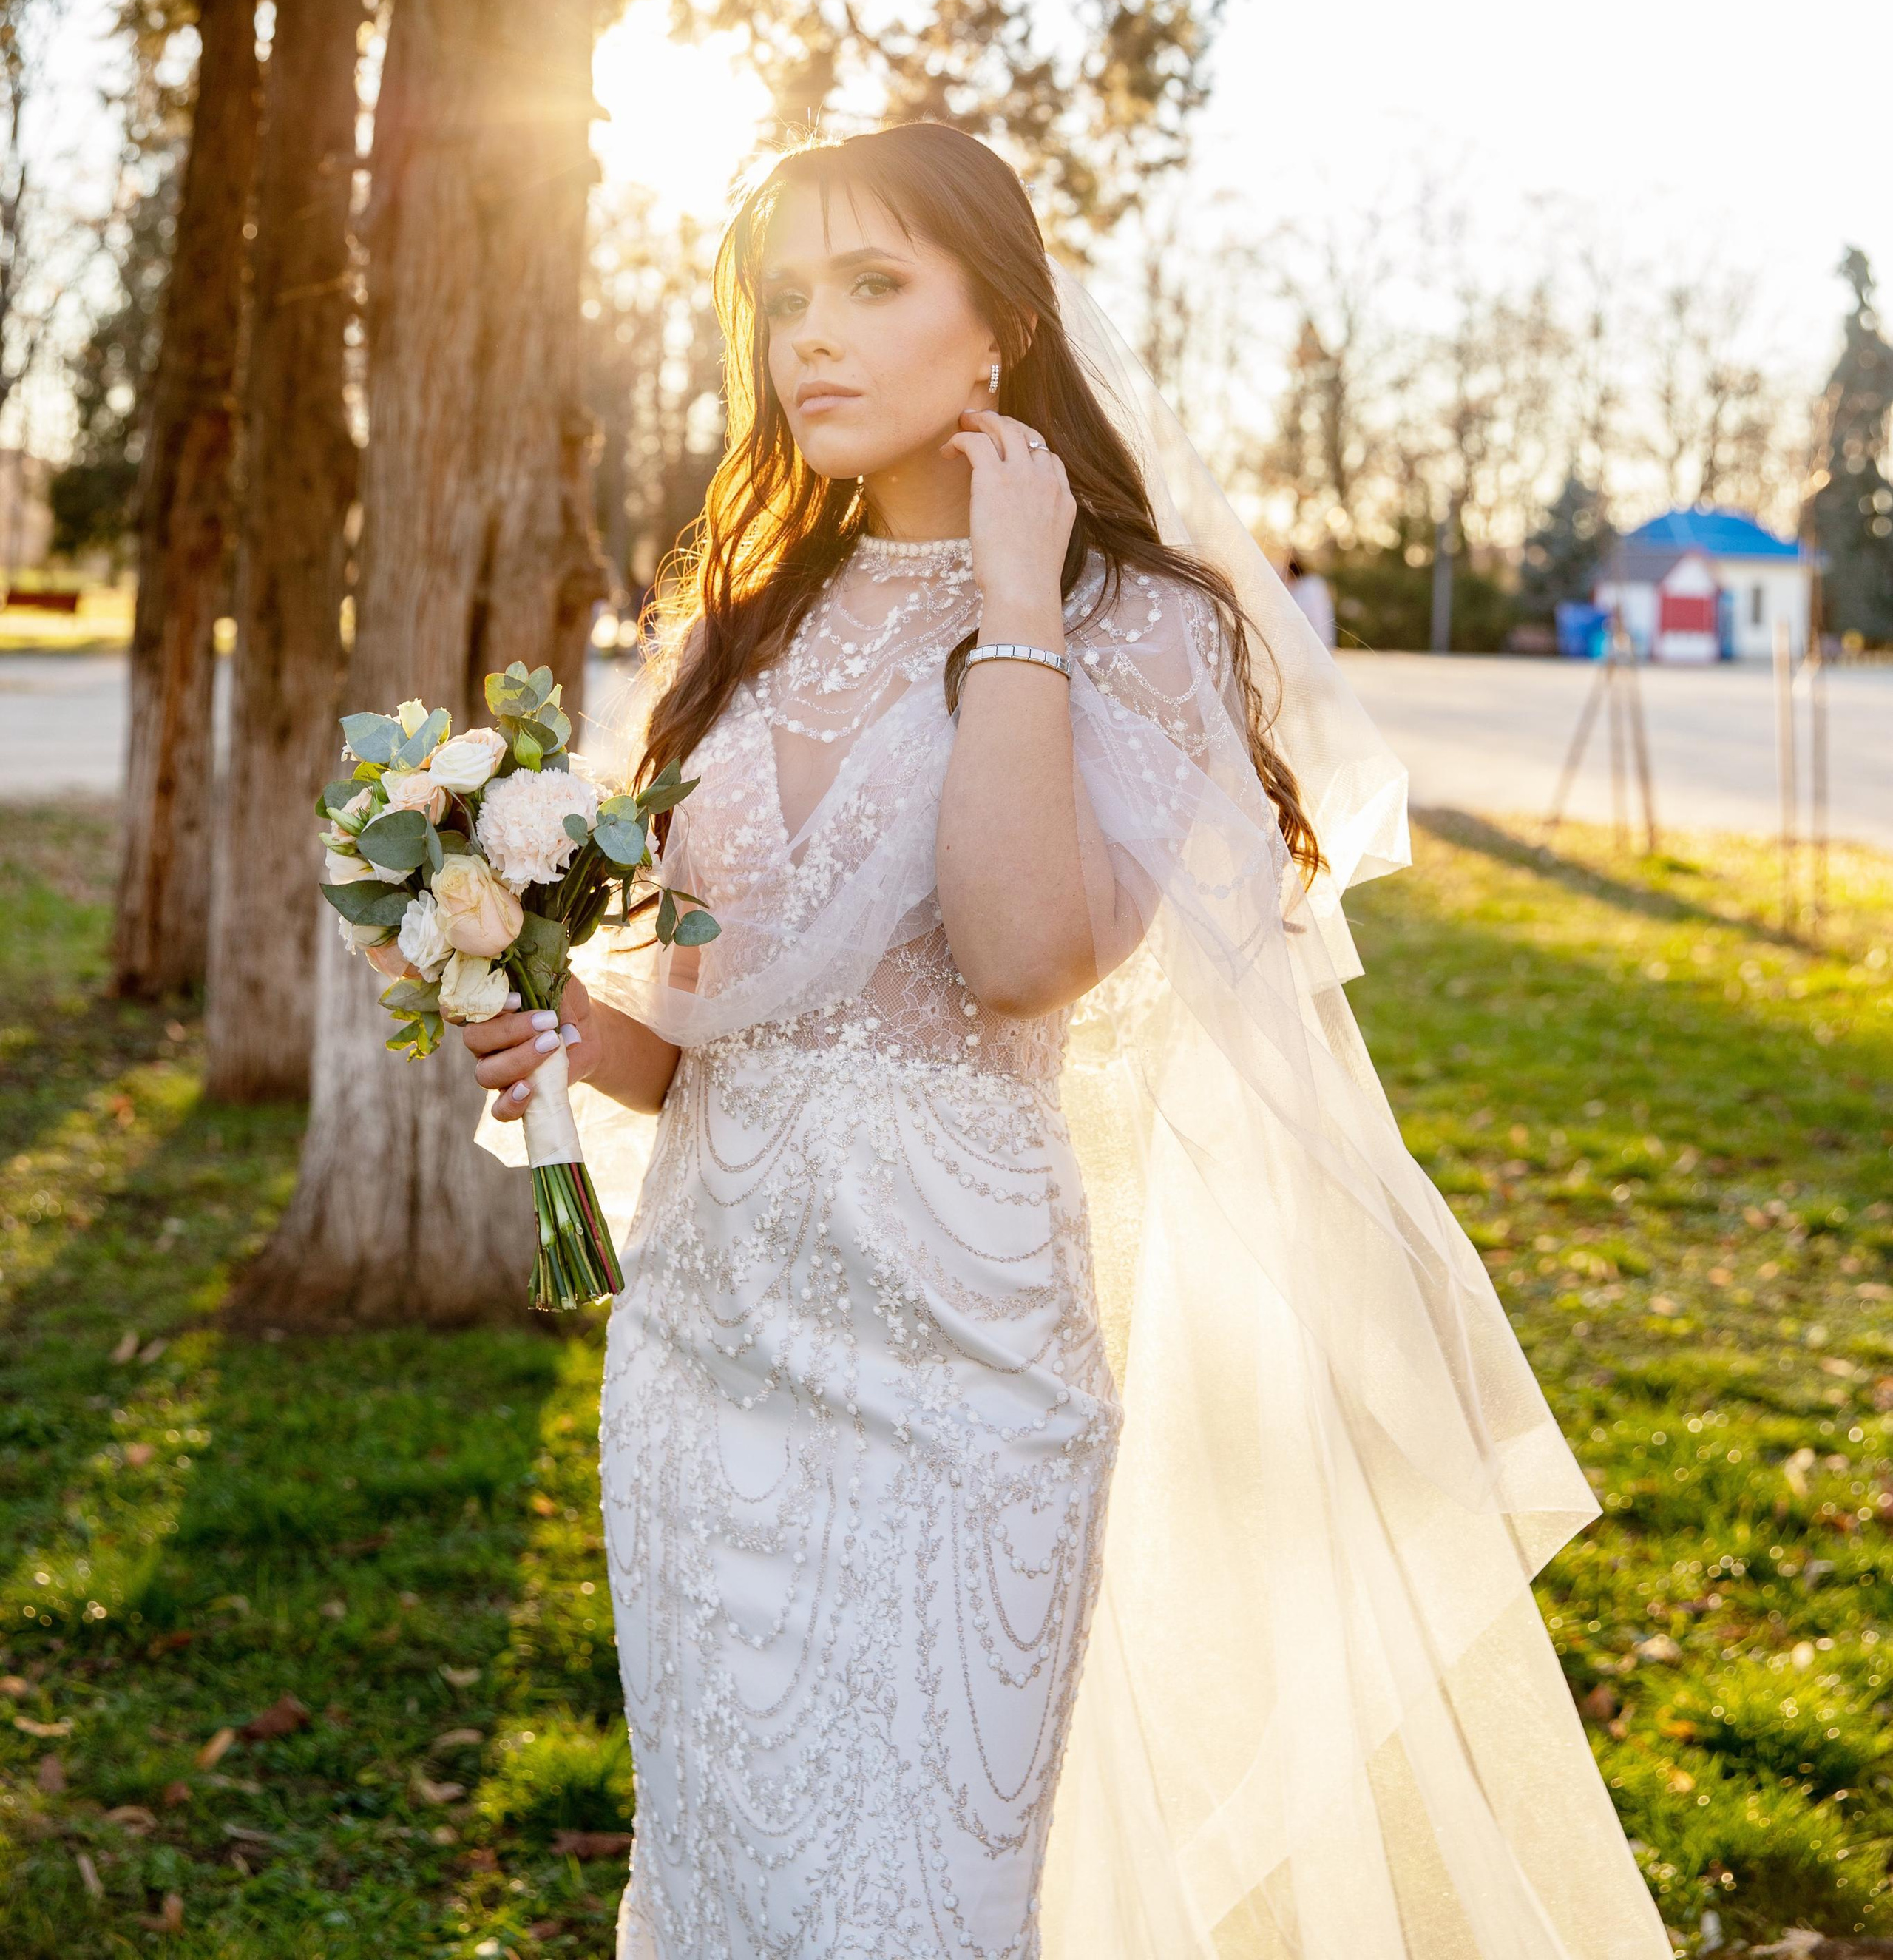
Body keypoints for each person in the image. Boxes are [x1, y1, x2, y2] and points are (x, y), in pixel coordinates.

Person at [460, 123, 1670, 1960]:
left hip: (960, 1360)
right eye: (786, 296)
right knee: (723, 1883)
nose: (814, 336)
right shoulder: (728, 621)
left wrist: (1014, 602)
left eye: (873, 286)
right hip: (704, 1354)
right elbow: (707, 1032)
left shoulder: (1139, 626)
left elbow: (1022, 958)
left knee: (915, 1904)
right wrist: (556, 1020)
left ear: (998, 327)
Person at [1286, 548, 1338, 649]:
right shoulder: (1315, 583)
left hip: (1314, 638)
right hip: (1322, 637)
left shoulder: (1305, 588)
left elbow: (1300, 613)